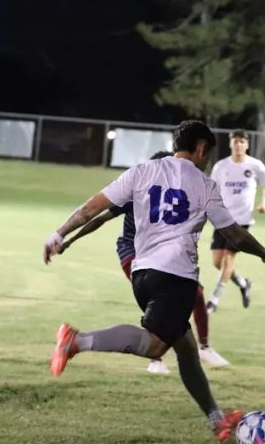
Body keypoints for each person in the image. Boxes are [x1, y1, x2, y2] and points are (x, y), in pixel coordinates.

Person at [43, 120, 265, 441]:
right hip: (176, 277)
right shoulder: (205, 185)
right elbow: (234, 235)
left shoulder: (141, 172)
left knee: (186, 348)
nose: (206, 160)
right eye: (207, 153)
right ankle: (77, 341)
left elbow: (91, 208)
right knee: (155, 345)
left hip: (142, 273)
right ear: (199, 149)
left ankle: (216, 419)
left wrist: (59, 235)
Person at [58, 151, 231, 371]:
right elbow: (99, 219)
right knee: (159, 297)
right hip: (133, 253)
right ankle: (155, 359)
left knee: (194, 294)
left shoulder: (175, 191)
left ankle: (203, 347)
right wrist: (70, 240)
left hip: (160, 256)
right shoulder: (139, 189)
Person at [206, 129, 265, 314]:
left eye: (242, 141)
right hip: (222, 219)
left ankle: (214, 300)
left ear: (247, 144)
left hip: (242, 222)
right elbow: (212, 190)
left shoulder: (255, 165)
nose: (238, 144)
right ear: (230, 144)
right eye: (235, 141)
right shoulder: (220, 166)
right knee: (217, 262)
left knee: (228, 259)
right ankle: (244, 283)